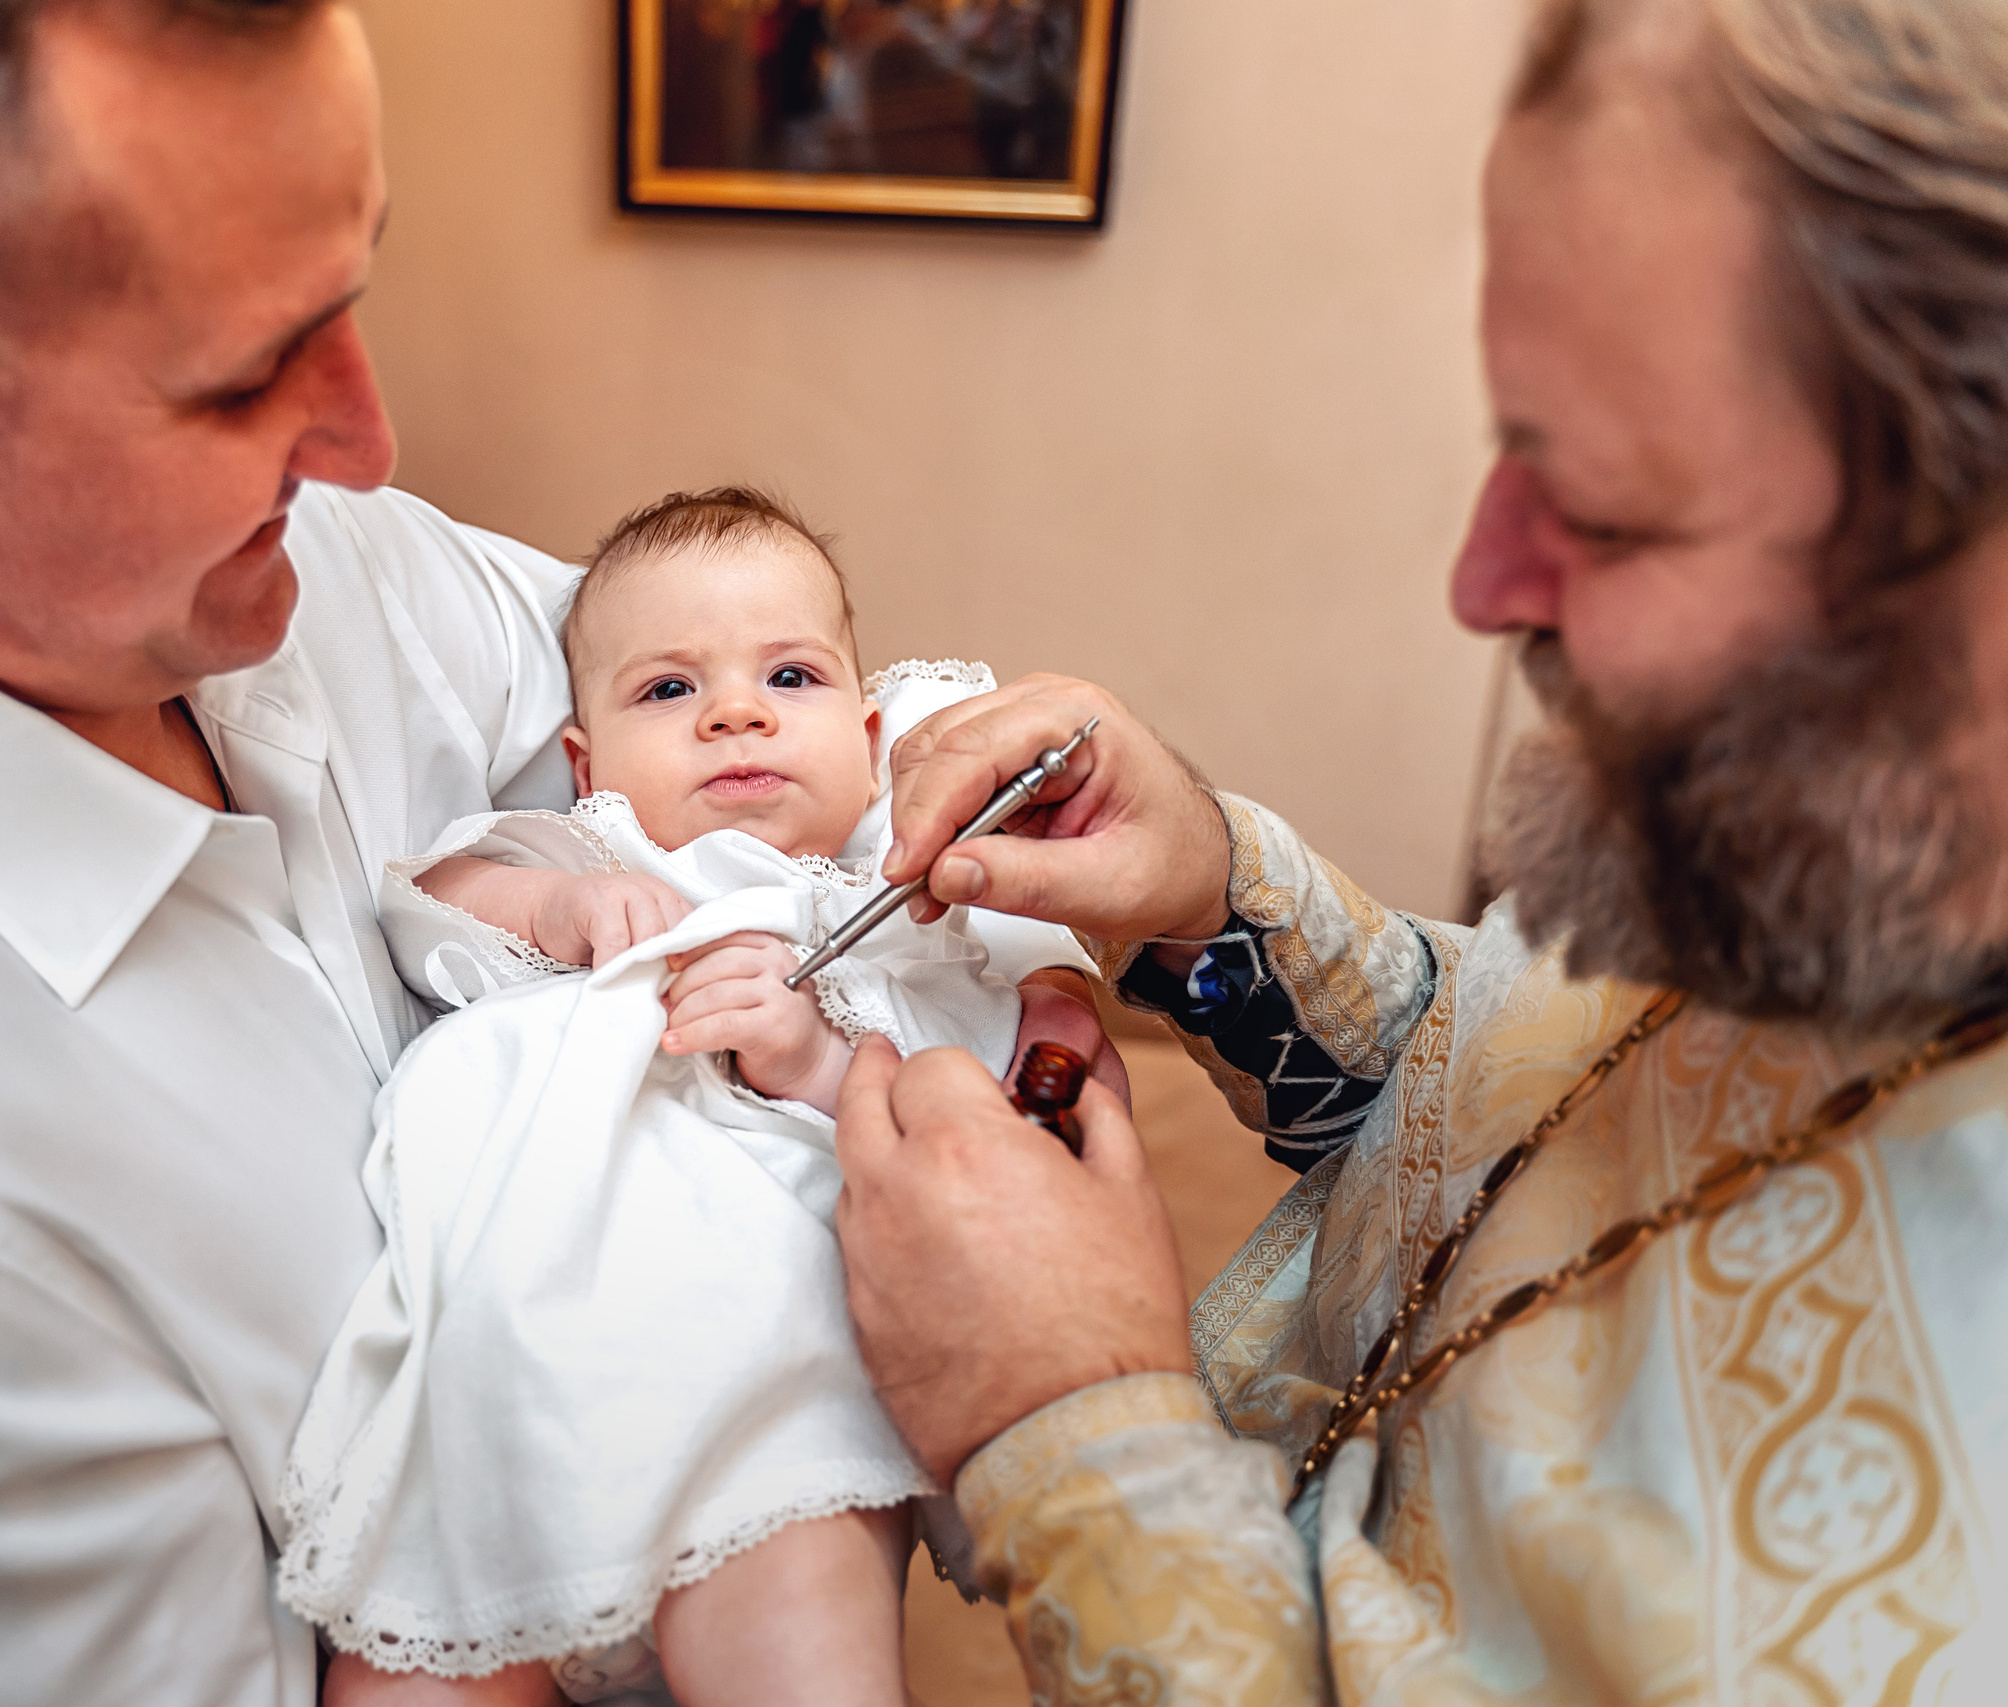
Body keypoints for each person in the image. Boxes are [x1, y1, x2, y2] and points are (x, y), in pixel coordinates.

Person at [0, 7, 1109, 1705]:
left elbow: (665, 667)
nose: (367, 443)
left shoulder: (261, 544)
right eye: (242, 365)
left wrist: (973, 915)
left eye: (351, 294)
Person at [832, 0, 2008, 1699]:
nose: (1482, 581)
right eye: (1507, 451)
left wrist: (1071, 1435)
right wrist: (1217, 906)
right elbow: (1512, 1108)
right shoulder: (1835, 819)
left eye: (1601, 512)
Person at [284, 490, 1110, 1707]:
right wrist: (550, 911)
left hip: (768, 1423)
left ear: (871, 734)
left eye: (789, 676)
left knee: (799, 1650)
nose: (733, 712)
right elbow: (427, 905)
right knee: (404, 1661)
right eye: (668, 691)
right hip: (492, 1411)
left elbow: (958, 1136)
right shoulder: (579, 855)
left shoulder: (893, 920)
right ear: (585, 762)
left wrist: (817, 1057)